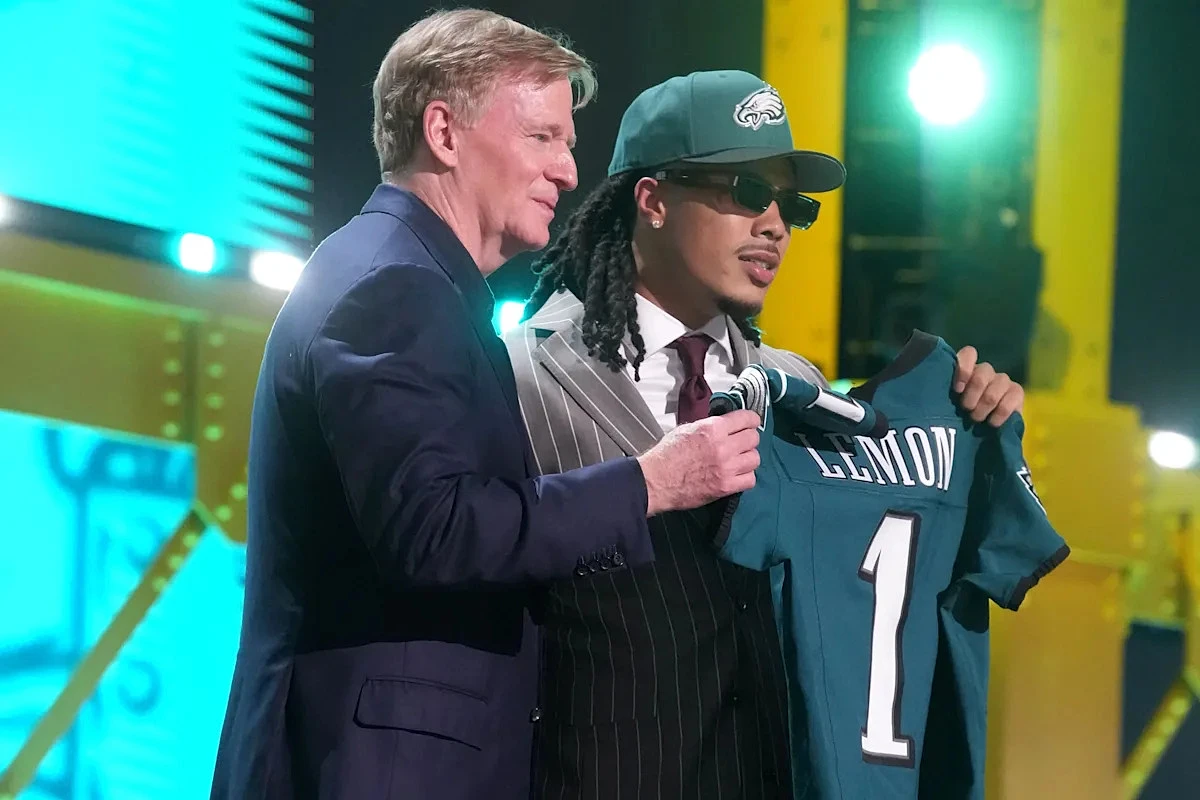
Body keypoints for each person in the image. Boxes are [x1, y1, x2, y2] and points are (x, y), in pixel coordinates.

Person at [210, 16, 764, 800]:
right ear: (444, 132)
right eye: (542, 137)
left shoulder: (408, 280)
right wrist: (650, 483)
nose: (567, 171)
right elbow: (435, 530)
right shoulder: (394, 286)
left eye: (567, 143)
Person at [504, 69, 1024, 799]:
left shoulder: (799, 389)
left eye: (791, 205)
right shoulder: (522, 373)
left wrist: (975, 414)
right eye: (748, 191)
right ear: (652, 200)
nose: (775, 225)